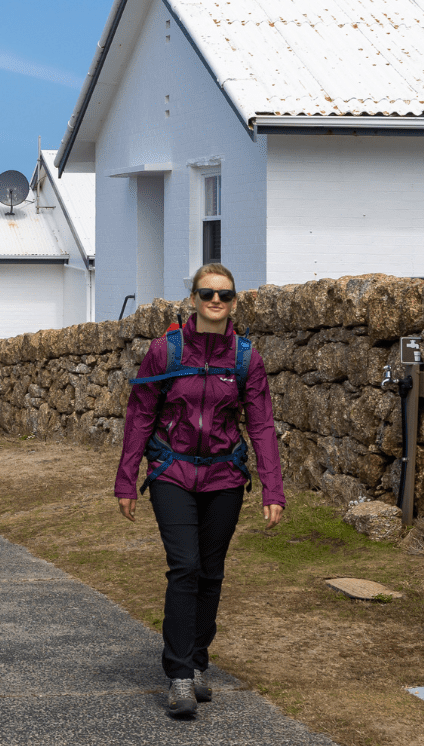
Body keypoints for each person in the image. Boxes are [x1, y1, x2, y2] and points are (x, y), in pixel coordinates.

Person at [113, 264, 284, 718]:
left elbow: (262, 425)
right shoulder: (164, 352)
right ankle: (179, 675)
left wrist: (273, 489)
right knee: (185, 567)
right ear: (193, 299)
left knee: (211, 572)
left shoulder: (247, 359)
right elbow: (140, 416)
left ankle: (198, 660)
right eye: (207, 293)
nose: (216, 301)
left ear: (234, 302)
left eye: (224, 295)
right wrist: (126, 478)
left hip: (224, 476)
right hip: (172, 471)